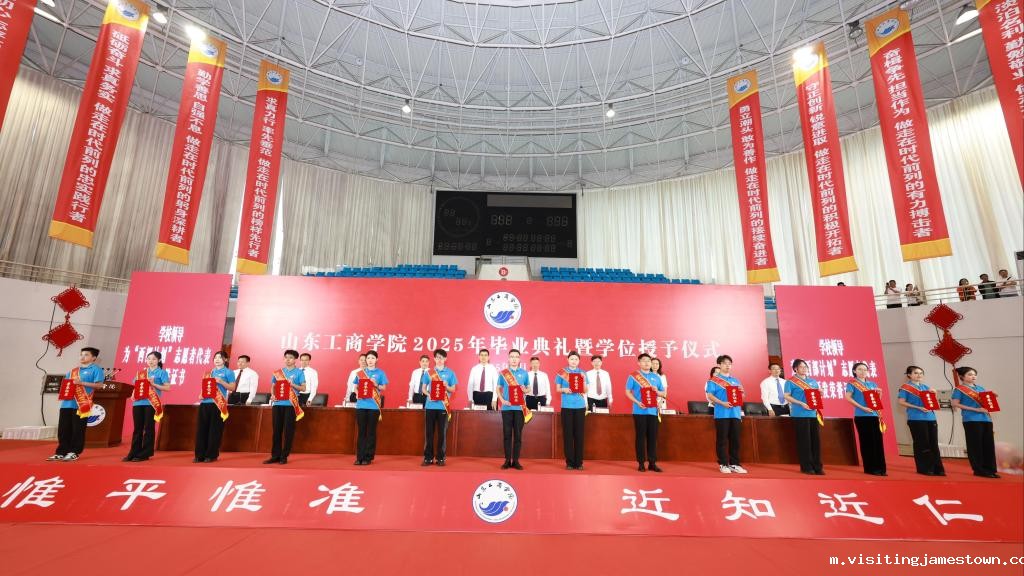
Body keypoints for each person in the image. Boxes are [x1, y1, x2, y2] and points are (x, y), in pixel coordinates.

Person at [48, 347, 105, 462]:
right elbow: (67, 385)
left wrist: (81, 383)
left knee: (78, 429)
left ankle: (74, 452)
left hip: (82, 404)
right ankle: (61, 452)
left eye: (86, 355)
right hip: (67, 404)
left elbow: (99, 385)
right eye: (81, 354)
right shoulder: (73, 371)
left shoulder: (96, 369)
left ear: (94, 358)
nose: (82, 357)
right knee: (63, 429)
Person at [951, 367, 999, 478]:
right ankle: (979, 470)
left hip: (986, 419)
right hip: (971, 419)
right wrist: (976, 410)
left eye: (974, 374)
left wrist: (994, 396)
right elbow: (954, 404)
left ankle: (990, 469)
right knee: (975, 445)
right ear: (962, 376)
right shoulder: (959, 389)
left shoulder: (981, 388)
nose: (973, 376)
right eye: (970, 374)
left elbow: (987, 402)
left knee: (988, 445)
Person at [897, 365, 945, 476]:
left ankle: (937, 469)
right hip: (916, 418)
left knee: (933, 444)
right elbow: (901, 402)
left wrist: (935, 394)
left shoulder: (926, 387)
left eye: (921, 373)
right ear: (909, 375)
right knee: (922, 444)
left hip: (930, 418)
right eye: (916, 373)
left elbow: (932, 403)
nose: (919, 375)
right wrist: (918, 407)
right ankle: (925, 468)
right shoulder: (905, 387)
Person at [123, 351, 171, 462]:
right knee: (137, 429)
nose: (151, 361)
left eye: (153, 359)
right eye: (149, 359)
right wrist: (133, 394)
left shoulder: (162, 372)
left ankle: (145, 453)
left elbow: (167, 387)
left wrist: (154, 384)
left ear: (159, 360)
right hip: (138, 403)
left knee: (148, 428)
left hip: (151, 403)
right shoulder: (141, 373)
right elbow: (136, 386)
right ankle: (133, 452)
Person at [705, 355, 746, 474]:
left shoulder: (735, 380)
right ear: (719, 365)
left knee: (735, 440)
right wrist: (722, 403)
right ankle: (723, 464)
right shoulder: (713, 380)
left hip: (735, 413)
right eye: (725, 363)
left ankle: (734, 464)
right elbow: (710, 396)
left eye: (729, 363)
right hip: (722, 414)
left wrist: (742, 392)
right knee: (722, 440)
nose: (728, 365)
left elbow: (742, 397)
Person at [263, 350, 306, 465]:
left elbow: (303, 388)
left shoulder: (299, 372)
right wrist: (272, 395)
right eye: (286, 357)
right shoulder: (278, 372)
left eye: (290, 357)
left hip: (291, 405)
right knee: (276, 431)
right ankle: (275, 455)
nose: (288, 360)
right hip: (277, 404)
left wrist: (293, 384)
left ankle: (284, 456)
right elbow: (273, 386)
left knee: (288, 431)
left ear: (295, 359)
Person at [844, 362, 887, 476]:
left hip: (874, 416)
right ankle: (870, 468)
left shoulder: (872, 384)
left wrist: (880, 394)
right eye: (860, 369)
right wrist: (862, 407)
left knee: (878, 442)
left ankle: (881, 468)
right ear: (854, 371)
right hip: (862, 416)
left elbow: (876, 401)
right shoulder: (852, 383)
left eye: (865, 370)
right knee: (867, 442)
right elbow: (848, 397)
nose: (863, 372)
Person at [626, 353, 666, 472]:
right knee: (640, 437)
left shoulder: (656, 377)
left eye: (648, 361)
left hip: (653, 411)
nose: (647, 363)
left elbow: (663, 393)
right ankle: (641, 463)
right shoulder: (633, 376)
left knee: (652, 438)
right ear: (639, 363)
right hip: (639, 411)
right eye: (644, 361)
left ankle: (652, 463)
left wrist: (657, 392)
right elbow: (627, 392)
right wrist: (637, 402)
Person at [194, 351, 236, 463]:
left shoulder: (229, 372)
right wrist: (201, 394)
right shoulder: (208, 373)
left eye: (220, 358)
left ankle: (211, 455)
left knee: (215, 430)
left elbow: (232, 387)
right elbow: (205, 387)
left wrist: (221, 381)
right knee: (201, 430)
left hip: (218, 404)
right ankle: (199, 455)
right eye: (215, 357)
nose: (217, 360)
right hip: (205, 403)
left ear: (225, 360)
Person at [784, 359, 824, 475]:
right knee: (804, 441)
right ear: (795, 369)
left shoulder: (813, 381)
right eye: (801, 367)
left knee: (815, 441)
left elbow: (816, 397)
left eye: (805, 367)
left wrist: (820, 393)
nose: (804, 369)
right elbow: (787, 396)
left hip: (813, 414)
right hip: (799, 414)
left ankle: (817, 467)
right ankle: (806, 467)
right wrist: (800, 403)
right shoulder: (790, 382)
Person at [422, 349, 457, 466]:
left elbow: (453, 389)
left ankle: (441, 458)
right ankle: (428, 458)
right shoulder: (429, 372)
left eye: (442, 357)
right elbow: (423, 389)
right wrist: (429, 395)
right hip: (430, 406)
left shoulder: (450, 373)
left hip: (443, 407)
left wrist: (447, 387)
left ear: (445, 359)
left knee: (442, 433)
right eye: (437, 357)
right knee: (429, 433)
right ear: (434, 359)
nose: (439, 359)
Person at [352, 350, 388, 465]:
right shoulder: (360, 373)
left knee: (371, 432)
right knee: (361, 432)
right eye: (368, 358)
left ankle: (368, 457)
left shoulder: (380, 373)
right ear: (365, 360)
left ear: (376, 360)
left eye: (372, 358)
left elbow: (384, 388)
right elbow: (355, 387)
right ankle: (359, 457)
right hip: (361, 405)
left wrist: (376, 384)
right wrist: (357, 393)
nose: (370, 360)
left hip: (373, 406)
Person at [497, 349, 530, 470]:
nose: (514, 359)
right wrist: (502, 400)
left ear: (519, 359)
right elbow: (498, 388)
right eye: (512, 357)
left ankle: (515, 460)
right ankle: (507, 460)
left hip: (520, 408)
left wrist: (525, 390)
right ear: (508, 358)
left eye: (516, 357)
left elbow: (528, 389)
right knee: (507, 435)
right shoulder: (503, 373)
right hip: (507, 408)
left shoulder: (524, 373)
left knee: (518, 435)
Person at [555, 351, 587, 470]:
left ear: (579, 361)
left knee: (579, 435)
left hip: (580, 406)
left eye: (576, 359)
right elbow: (557, 389)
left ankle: (579, 462)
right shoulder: (562, 372)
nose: (574, 361)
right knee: (568, 434)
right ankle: (569, 462)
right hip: (567, 406)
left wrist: (583, 380)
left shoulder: (582, 373)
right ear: (568, 360)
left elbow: (585, 390)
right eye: (572, 359)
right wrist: (564, 389)